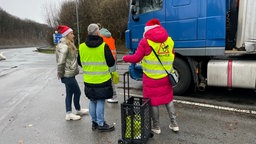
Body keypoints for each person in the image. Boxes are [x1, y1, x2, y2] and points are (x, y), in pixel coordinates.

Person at [122, 19, 179, 134]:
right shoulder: (169, 40)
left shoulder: (145, 42)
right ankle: (174, 124)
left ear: (147, 30)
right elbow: (172, 55)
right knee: (168, 100)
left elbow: (136, 58)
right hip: (166, 77)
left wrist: (125, 58)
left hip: (151, 78)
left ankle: (156, 127)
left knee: (154, 102)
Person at [78, 23, 115, 132]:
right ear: (97, 32)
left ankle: (94, 122)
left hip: (88, 80)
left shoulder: (82, 47)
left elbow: (80, 62)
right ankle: (101, 123)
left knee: (92, 100)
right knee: (100, 101)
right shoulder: (103, 46)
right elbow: (111, 62)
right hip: (102, 79)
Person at [55, 25, 89, 121]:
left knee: (69, 93)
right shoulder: (65, 46)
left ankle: (73, 111)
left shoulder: (67, 45)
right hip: (67, 74)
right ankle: (72, 112)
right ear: (66, 35)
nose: (73, 35)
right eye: (71, 33)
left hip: (69, 73)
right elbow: (61, 61)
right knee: (77, 92)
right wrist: (60, 73)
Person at [97, 23, 118, 103]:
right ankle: (113, 96)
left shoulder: (100, 37)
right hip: (112, 61)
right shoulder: (110, 36)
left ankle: (113, 96)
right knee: (110, 80)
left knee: (107, 81)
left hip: (105, 62)